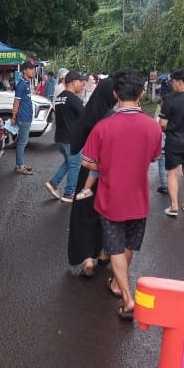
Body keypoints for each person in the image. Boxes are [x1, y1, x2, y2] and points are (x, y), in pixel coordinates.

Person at [81, 68, 161, 319]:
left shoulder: (104, 127)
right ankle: (117, 284)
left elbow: (86, 161)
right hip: (139, 199)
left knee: (115, 247)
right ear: (141, 94)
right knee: (128, 245)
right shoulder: (153, 127)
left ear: (115, 94)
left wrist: (106, 167)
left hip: (111, 198)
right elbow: (153, 158)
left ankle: (127, 298)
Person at [67, 77, 117, 277]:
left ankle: (87, 259)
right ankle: (104, 253)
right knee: (107, 214)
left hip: (88, 170)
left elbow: (75, 145)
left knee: (84, 213)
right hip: (110, 173)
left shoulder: (88, 113)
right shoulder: (114, 117)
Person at [44, 71, 84, 203]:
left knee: (69, 162)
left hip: (60, 138)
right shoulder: (73, 99)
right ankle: (69, 194)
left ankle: (53, 183)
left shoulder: (60, 97)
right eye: (80, 82)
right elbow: (85, 117)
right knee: (75, 165)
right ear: (73, 82)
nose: (82, 85)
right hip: (71, 139)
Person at [159, 68, 184, 216]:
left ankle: (174, 206)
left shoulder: (169, 100)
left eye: (173, 81)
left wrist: (169, 128)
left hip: (174, 142)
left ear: (180, 82)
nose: (171, 84)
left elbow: (162, 124)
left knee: (172, 174)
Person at [12, 60, 36, 175]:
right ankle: (19, 166)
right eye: (31, 69)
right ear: (24, 71)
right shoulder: (21, 84)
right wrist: (13, 116)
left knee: (23, 142)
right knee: (22, 142)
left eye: (33, 69)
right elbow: (16, 102)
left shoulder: (26, 83)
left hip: (27, 117)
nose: (33, 71)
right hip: (23, 117)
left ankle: (20, 163)